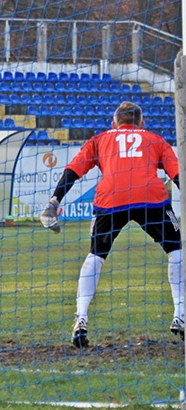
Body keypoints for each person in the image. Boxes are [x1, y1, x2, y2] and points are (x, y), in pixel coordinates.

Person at [39, 101, 184, 347]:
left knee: (95, 256)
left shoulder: (99, 139)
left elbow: (73, 170)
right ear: (142, 123)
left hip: (111, 197)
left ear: (113, 123)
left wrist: (54, 201)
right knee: (176, 251)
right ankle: (180, 314)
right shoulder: (156, 139)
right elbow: (178, 175)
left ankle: (81, 318)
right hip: (150, 197)